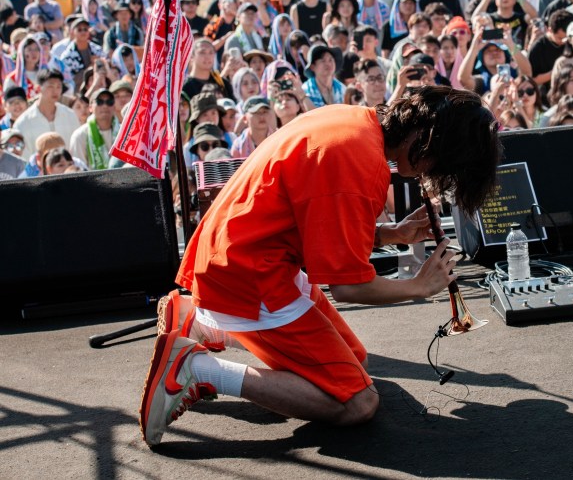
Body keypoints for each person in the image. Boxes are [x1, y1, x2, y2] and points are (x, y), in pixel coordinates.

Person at [141, 87, 501, 445]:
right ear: (423, 137)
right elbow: (348, 287)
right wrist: (418, 287)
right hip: (247, 273)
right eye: (441, 161)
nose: (433, 171)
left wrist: (393, 234)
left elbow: (321, 228)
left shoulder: (356, 123)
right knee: (355, 402)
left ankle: (201, 325)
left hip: (241, 253)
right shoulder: (360, 164)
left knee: (355, 362)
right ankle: (195, 369)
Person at [13, 68, 80, 150]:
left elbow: (76, 148)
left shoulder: (70, 116)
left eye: (59, 87)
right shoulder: (23, 123)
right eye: (50, 86)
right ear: (38, 88)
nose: (55, 91)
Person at [68, 87, 118, 170]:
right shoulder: (80, 136)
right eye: (99, 102)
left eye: (109, 102)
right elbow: (79, 169)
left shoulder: (125, 132)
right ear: (90, 108)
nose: (105, 106)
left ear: (114, 107)